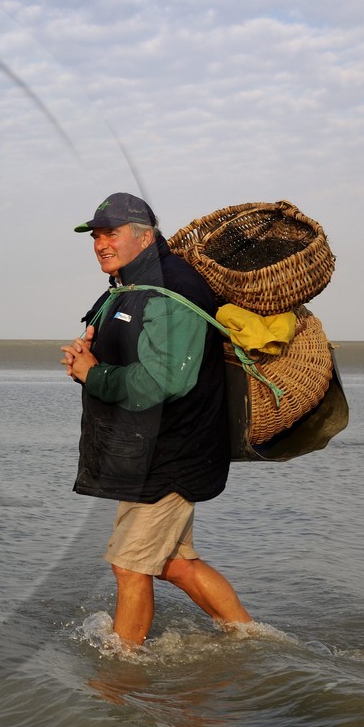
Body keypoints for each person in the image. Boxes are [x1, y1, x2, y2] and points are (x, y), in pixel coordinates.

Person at [60, 192, 252, 648]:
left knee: (130, 565)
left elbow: (165, 381)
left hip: (170, 451)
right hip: (150, 449)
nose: (101, 243)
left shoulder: (171, 290)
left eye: (112, 233)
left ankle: (122, 676)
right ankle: (251, 639)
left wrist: (95, 374)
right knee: (173, 563)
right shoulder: (131, 285)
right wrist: (88, 360)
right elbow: (135, 356)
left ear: (145, 236)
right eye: (97, 235)